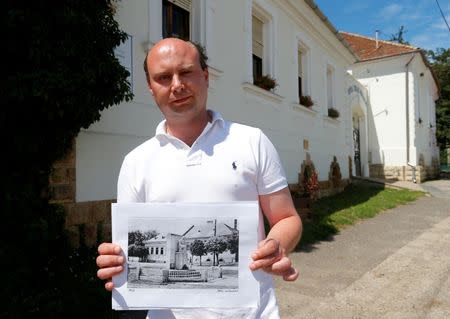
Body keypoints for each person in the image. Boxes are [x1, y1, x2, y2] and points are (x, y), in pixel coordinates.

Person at [96, 37, 302, 319]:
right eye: (164, 77)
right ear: (151, 88)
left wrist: (277, 245)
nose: (177, 85)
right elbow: (129, 248)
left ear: (205, 76)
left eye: (186, 72)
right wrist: (115, 263)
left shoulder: (252, 141)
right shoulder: (135, 162)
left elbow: (287, 219)